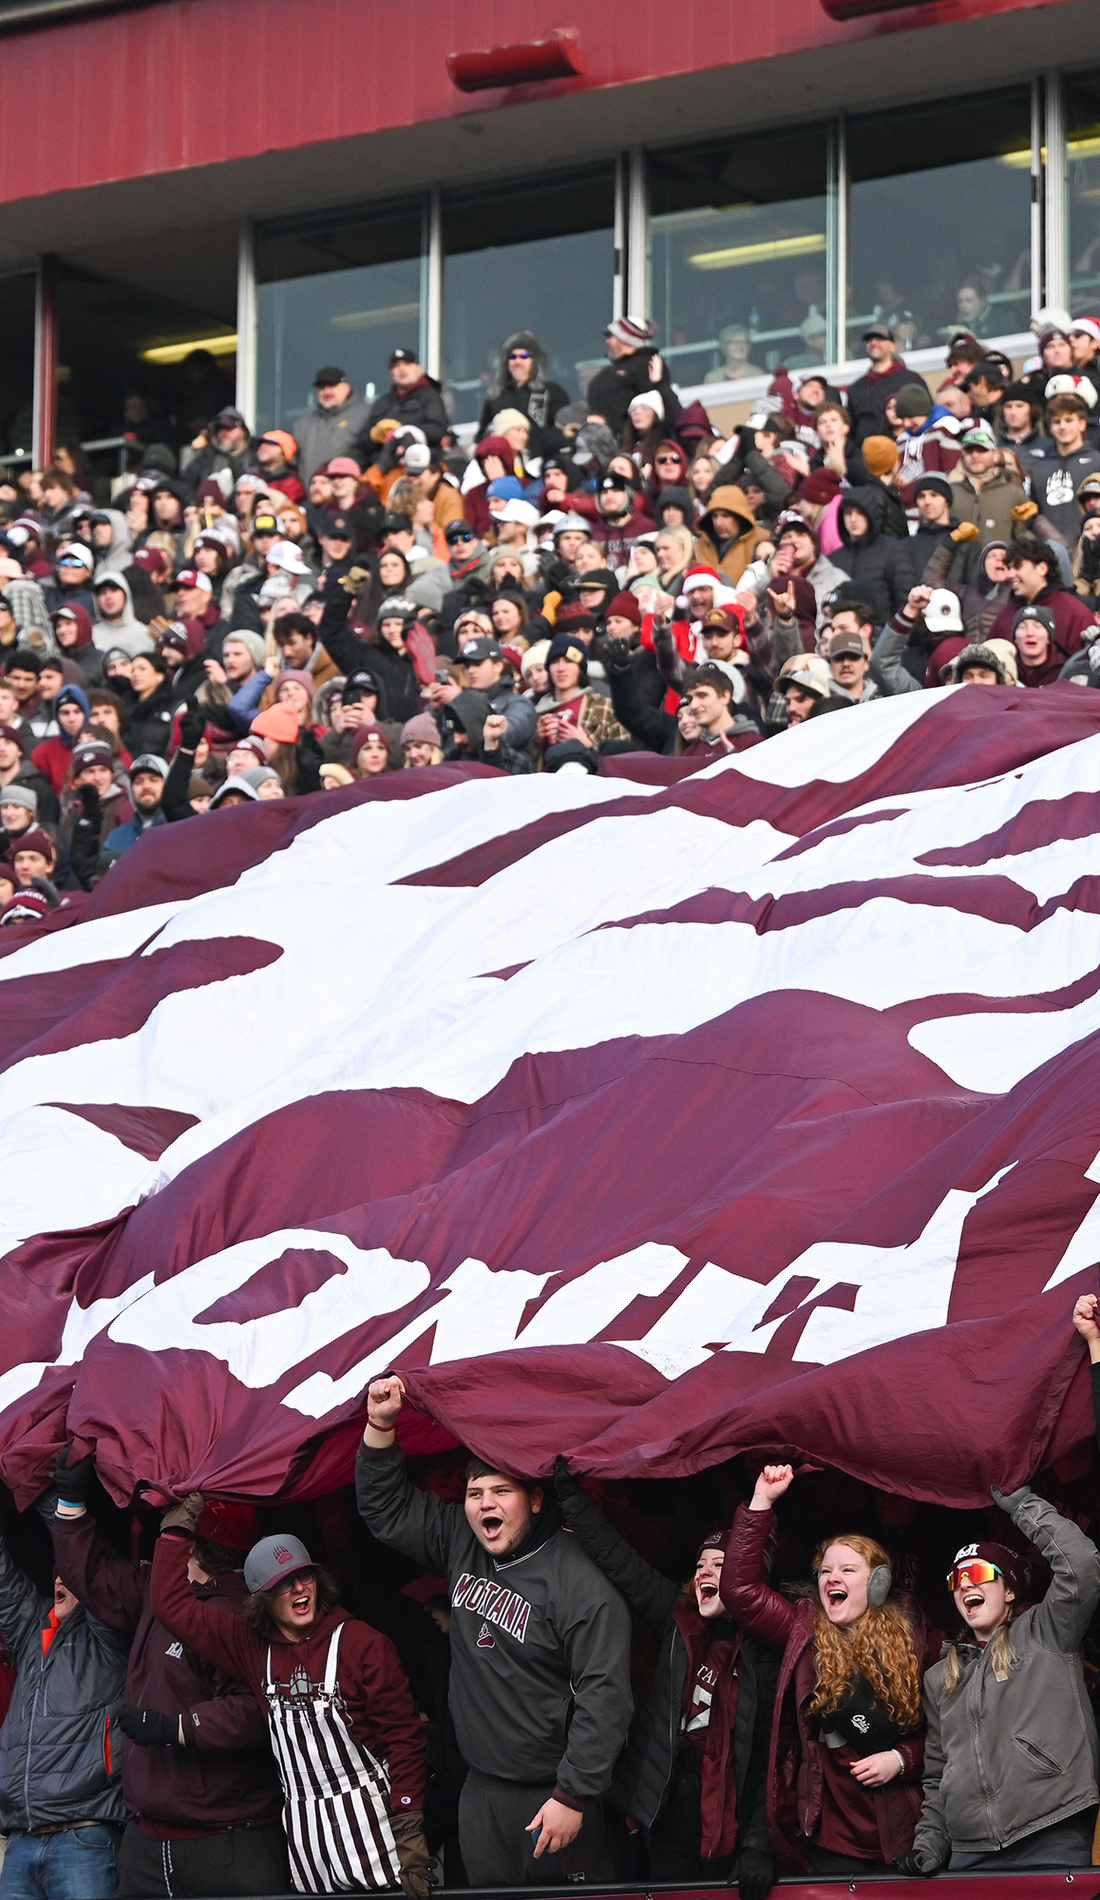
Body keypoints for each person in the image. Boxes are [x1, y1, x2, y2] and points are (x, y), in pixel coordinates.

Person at [357, 1376, 633, 1888]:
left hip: (554, 1795)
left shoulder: (580, 1583)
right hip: (480, 1789)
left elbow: (607, 1698)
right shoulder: (461, 1542)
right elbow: (387, 1510)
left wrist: (573, 1796)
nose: (485, 1504)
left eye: (501, 1492)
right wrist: (380, 1424)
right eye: (475, 1493)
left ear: (533, 1500)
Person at [149, 1495, 432, 1899]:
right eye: (282, 1583)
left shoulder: (363, 1644)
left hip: (377, 1831)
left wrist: (409, 1828)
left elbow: (405, 1739)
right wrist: (178, 1526)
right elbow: (168, 1604)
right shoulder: (248, 1646)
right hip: (308, 1842)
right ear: (260, 1598)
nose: (299, 1588)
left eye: (304, 1576)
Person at [49, 1457, 287, 1899]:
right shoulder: (159, 1593)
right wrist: (70, 1504)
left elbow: (261, 1711)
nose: (162, 1528)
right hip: (146, 1843)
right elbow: (95, 1576)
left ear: (192, 1542)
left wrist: (178, 1728)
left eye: (171, 1521)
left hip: (229, 1842)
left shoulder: (242, 1616)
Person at [552, 1458, 776, 1899]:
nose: (706, 1572)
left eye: (722, 1564)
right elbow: (618, 1560)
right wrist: (568, 1495)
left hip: (731, 1830)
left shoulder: (771, 1652)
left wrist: (759, 1845)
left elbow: (777, 1759)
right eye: (702, 1564)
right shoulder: (678, 1620)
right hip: (668, 1818)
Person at [723, 1463, 932, 1877]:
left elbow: (954, 1734)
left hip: (904, 1839)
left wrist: (902, 1758)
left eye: (847, 1570)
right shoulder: (803, 1631)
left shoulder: (919, 1640)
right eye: (825, 1571)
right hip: (830, 1840)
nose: (832, 1578)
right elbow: (740, 1591)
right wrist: (761, 1501)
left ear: (879, 1583)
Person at [901, 1478, 1100, 1875]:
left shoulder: (1045, 1633)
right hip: (970, 1851)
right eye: (957, 1580)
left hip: (1052, 1829)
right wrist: (930, 1844)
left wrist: (1022, 1503)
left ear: (1008, 1590)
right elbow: (939, 1772)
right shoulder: (941, 1677)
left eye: (976, 1572)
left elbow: (1081, 1564)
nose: (966, 1584)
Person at [0, 1510, 129, 1900]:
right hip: (21, 1838)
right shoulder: (32, 1630)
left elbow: (90, 1565)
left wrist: (65, 1502)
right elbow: (3, 1582)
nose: (59, 1578)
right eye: (57, 1572)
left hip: (84, 1836)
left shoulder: (109, 1636)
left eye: (70, 1575)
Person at [585, 317, 681, 440]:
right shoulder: (611, 370)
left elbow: (652, 404)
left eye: (612, 337)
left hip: (624, 442)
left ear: (624, 340)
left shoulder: (646, 365)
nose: (607, 342)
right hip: (598, 438)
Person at [1024, 394, 1100, 545]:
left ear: (1082, 424)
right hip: (1052, 547)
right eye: (1057, 422)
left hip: (1091, 543)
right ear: (1050, 428)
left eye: (1069, 420)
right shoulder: (1039, 468)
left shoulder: (1097, 461)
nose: (1063, 426)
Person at [476, 334, 569, 456]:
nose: (517, 361)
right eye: (512, 357)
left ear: (534, 361)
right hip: (506, 465)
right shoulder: (496, 397)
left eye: (524, 356)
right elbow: (482, 437)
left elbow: (562, 432)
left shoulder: (551, 392)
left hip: (542, 464)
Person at [950, 422, 1029, 544]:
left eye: (982, 450)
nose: (975, 455)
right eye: (969, 451)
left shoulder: (1014, 494)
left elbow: (1026, 539)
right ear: (962, 455)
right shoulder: (950, 493)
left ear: (996, 455)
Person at [366, 350, 448, 454]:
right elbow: (364, 440)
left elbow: (437, 429)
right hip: (383, 463)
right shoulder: (381, 403)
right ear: (391, 374)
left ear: (419, 369)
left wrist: (404, 432)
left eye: (407, 364)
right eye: (396, 366)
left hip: (420, 460)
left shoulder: (430, 395)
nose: (401, 369)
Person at [845, 329, 914, 445]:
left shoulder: (910, 379)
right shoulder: (857, 387)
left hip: (901, 448)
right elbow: (849, 428)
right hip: (862, 454)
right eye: (869, 340)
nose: (873, 343)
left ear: (893, 347)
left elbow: (924, 418)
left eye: (880, 339)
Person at [99, 754, 168, 859]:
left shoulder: (180, 831)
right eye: (138, 782)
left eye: (153, 780)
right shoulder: (117, 837)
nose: (146, 786)